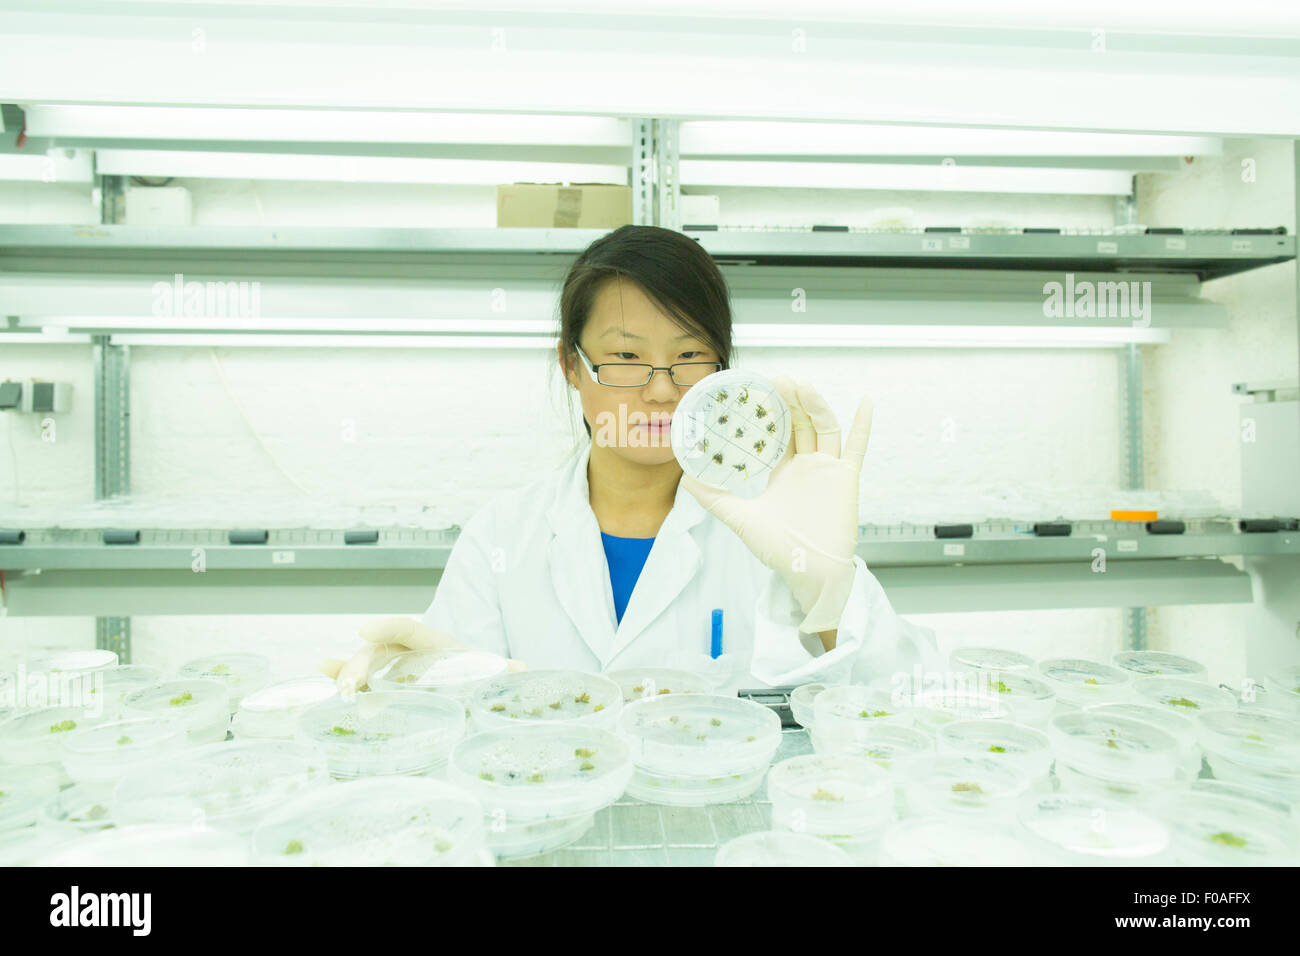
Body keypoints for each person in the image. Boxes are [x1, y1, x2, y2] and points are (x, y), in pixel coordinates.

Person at [322, 225, 939, 695]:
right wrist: (413, 686)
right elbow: (459, 711)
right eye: (625, 357)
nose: (663, 390)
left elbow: (903, 701)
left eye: (690, 355)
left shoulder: (772, 529)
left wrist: (831, 593)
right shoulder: (502, 537)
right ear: (571, 365)